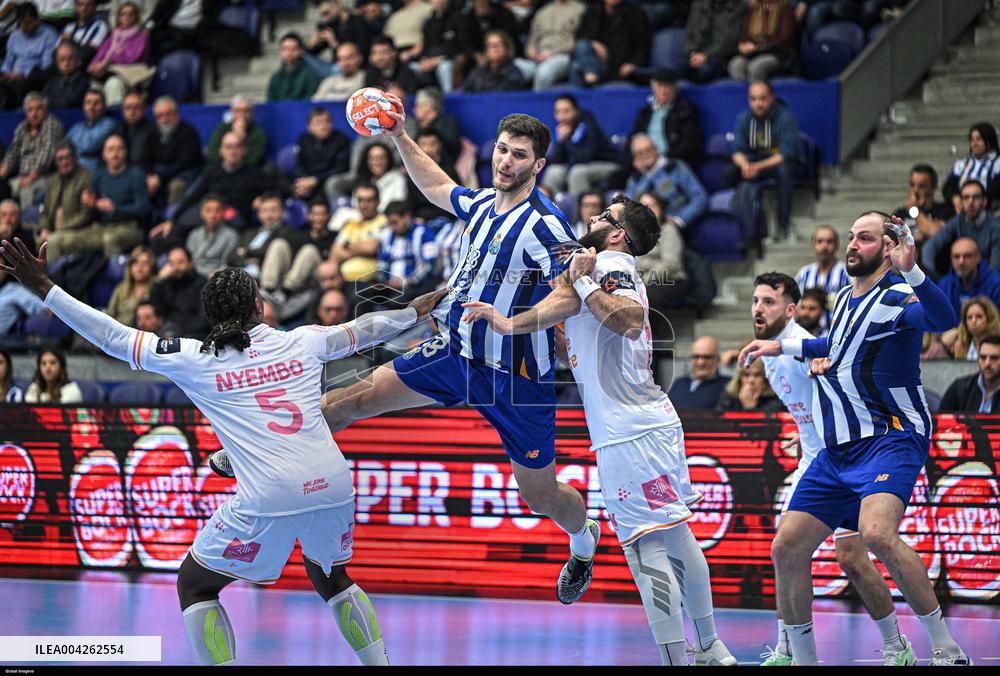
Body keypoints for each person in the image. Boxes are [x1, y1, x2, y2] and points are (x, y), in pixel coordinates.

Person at [0, 231, 448, 667]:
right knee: (331, 576)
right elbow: (366, 329)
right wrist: (417, 308)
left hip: (270, 494)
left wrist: (46, 289)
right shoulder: (304, 340)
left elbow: (113, 337)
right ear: (259, 306)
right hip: (333, 483)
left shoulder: (195, 358)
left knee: (195, 585)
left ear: (212, 315)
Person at [316, 102, 600, 605]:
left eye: (519, 155)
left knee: (540, 497)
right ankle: (262, 451)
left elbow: (570, 296)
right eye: (502, 150)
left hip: (518, 378)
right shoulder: (483, 204)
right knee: (349, 399)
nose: (506, 161)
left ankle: (583, 540)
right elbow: (436, 185)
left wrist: (510, 323)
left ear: (538, 165)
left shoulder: (547, 226)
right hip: (455, 354)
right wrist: (399, 135)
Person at [460, 195, 737, 666]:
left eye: (603, 215)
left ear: (616, 234)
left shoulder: (607, 265)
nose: (591, 217)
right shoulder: (610, 269)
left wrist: (580, 280)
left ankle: (680, 659)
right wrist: (520, 322)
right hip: (647, 422)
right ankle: (710, 646)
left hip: (628, 433)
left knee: (645, 549)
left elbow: (629, 321)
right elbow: (576, 327)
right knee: (675, 535)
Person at [738, 214, 970, 666]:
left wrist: (913, 270)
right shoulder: (844, 298)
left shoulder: (899, 296)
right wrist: (781, 346)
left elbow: (945, 319)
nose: (852, 244)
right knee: (787, 547)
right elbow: (836, 344)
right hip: (838, 449)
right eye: (851, 237)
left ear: (887, 248)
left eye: (865, 238)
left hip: (891, 437)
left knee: (877, 534)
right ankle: (802, 658)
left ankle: (947, 648)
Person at [747, 272, 906, 666]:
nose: (758, 309)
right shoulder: (768, 353)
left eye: (768, 302)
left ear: (790, 310)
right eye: (755, 300)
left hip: (846, 461)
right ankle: (787, 649)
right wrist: (805, 434)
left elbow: (847, 391)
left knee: (850, 557)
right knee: (786, 550)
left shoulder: (805, 349)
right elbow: (809, 408)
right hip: (814, 461)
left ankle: (896, 646)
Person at [47, 134, 147, 261]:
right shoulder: (99, 176)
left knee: (110, 239)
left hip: (129, 227)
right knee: (55, 240)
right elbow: (92, 210)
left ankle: (115, 273)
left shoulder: (136, 174)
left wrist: (115, 208)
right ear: (104, 154)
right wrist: (91, 204)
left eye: (119, 149)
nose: (115, 154)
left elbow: (142, 208)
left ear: (125, 152)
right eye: (110, 150)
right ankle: (52, 274)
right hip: (100, 228)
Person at [725, 79, 800, 240]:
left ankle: (783, 225)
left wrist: (757, 167)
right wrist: (746, 166)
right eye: (753, 99)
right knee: (730, 172)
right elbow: (737, 151)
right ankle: (731, 224)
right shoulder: (743, 118)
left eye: (762, 99)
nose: (758, 103)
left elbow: (785, 154)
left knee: (785, 170)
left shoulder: (785, 117)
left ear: (771, 98)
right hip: (755, 163)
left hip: (780, 164)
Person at [542, 94, 621, 199]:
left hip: (608, 165)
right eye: (558, 112)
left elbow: (583, 157)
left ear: (576, 110)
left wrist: (567, 138)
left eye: (566, 111)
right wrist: (561, 141)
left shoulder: (587, 125)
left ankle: (579, 209)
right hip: (582, 165)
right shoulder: (563, 129)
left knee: (577, 172)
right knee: (553, 171)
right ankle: (549, 208)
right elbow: (557, 160)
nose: (561, 116)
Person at [623, 133, 707, 230]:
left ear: (656, 149)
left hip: (673, 225)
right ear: (635, 157)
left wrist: (679, 219)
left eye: (648, 150)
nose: (645, 155)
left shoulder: (676, 167)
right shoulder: (635, 179)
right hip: (645, 231)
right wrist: (646, 175)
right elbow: (628, 207)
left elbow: (700, 197)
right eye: (640, 153)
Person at [922, 179, 1000, 278]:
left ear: (984, 202)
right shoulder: (958, 220)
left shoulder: (996, 228)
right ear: (961, 202)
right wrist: (932, 276)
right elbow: (930, 246)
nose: (971, 202)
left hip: (985, 280)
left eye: (976, 197)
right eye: (966, 197)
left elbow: (995, 270)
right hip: (960, 278)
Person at [260, 200, 336, 302]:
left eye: (322, 214)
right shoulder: (300, 234)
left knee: (309, 250)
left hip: (318, 278)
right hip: (295, 275)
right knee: (279, 244)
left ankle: (286, 292)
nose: (318, 218)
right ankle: (267, 288)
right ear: (308, 216)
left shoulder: (334, 237)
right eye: (314, 214)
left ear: (328, 216)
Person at [629, 69, 704, 168]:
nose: (664, 90)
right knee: (618, 174)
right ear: (653, 88)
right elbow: (633, 138)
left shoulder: (685, 111)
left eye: (668, 86)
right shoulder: (645, 112)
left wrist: (660, 159)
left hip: (671, 162)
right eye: (660, 86)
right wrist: (634, 160)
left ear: (675, 88)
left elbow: (690, 145)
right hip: (644, 162)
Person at [0, 92, 64, 207]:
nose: (34, 114)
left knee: (27, 190)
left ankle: (27, 218)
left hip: (46, 177)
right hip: (22, 177)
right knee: (2, 187)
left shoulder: (52, 124)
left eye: (38, 109)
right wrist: (2, 174)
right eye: (30, 110)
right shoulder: (22, 127)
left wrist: (30, 178)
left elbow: (47, 155)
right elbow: (12, 153)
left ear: (45, 110)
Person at [569, 0, 650, 88]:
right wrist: (594, 43)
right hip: (596, 59)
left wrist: (633, 63)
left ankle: (592, 78)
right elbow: (580, 34)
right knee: (578, 57)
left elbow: (643, 43)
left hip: (619, 64)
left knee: (577, 66)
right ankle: (592, 78)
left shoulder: (635, 13)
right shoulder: (593, 10)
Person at [86, 1, 151, 105]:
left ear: (136, 17)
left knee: (113, 84)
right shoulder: (112, 37)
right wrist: (95, 67)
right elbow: (98, 57)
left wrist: (106, 64)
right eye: (123, 14)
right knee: (94, 87)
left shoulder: (141, 38)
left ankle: (115, 114)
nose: (127, 17)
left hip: (130, 78)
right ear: (119, 17)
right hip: (109, 72)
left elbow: (131, 59)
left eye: (131, 14)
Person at [374, 200, 438, 303]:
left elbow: (429, 266)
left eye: (395, 222)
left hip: (416, 287)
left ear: (407, 217)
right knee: (366, 295)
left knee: (396, 301)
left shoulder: (423, 233)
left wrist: (407, 281)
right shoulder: (386, 235)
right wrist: (386, 282)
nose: (392, 227)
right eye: (389, 223)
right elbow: (381, 265)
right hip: (390, 287)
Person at [0, 3, 59, 109]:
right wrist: (6, 74)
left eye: (28, 23)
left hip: (34, 78)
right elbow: (9, 60)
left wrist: (22, 75)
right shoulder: (15, 35)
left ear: (37, 20)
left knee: (20, 87)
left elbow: (46, 65)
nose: (24, 27)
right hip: (12, 78)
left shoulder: (49, 35)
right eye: (21, 23)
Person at [36, 141, 91, 251]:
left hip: (77, 230)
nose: (64, 162)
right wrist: (44, 228)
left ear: (74, 158)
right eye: (60, 159)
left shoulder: (86, 178)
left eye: (67, 158)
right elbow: (45, 211)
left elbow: (86, 215)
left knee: (53, 242)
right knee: (31, 240)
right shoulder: (53, 180)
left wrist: (61, 229)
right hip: (53, 230)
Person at [327, 182, 385, 285]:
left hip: (369, 282)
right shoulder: (351, 224)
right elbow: (335, 251)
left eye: (368, 201)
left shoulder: (384, 222)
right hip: (343, 281)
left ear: (378, 202)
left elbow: (371, 248)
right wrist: (360, 249)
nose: (363, 205)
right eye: (360, 200)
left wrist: (347, 246)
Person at [147, 245, 209, 340]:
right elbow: (157, 309)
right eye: (171, 263)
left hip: (195, 333)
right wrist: (159, 280)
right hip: (171, 329)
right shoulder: (167, 283)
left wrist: (182, 334)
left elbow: (204, 317)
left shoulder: (202, 283)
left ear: (190, 263)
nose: (176, 267)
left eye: (180, 262)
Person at [795, 225, 850, 330]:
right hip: (808, 336)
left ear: (837, 245)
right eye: (819, 241)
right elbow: (794, 306)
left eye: (829, 241)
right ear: (813, 245)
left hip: (837, 336)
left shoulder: (847, 274)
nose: (824, 246)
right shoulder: (804, 274)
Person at [727, 0, 798, 82]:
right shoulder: (754, 9)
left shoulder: (786, 10)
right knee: (736, 65)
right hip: (753, 54)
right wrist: (743, 45)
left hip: (777, 54)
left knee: (756, 67)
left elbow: (785, 39)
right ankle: (744, 90)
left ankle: (760, 90)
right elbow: (745, 34)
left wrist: (757, 47)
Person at [523, 0, 585, 91]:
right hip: (538, 56)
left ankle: (538, 100)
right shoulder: (542, 11)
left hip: (564, 55)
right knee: (516, 70)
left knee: (543, 73)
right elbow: (533, 37)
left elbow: (578, 40)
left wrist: (553, 53)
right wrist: (531, 50)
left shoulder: (580, 9)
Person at [292, 107, 351, 203]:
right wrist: (304, 181)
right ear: (309, 127)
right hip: (308, 182)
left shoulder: (341, 140)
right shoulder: (304, 139)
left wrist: (316, 180)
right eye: (318, 123)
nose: (323, 126)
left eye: (327, 121)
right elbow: (300, 164)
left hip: (327, 181)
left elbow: (341, 168)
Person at [891, 163, 953, 249]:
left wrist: (915, 211)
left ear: (933, 187)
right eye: (912, 185)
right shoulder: (900, 215)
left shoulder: (945, 211)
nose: (915, 190)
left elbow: (938, 235)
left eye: (922, 186)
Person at [942, 122, 1000, 214]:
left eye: (978, 139)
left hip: (989, 210)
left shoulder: (997, 163)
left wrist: (972, 202)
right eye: (972, 140)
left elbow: (994, 191)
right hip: (960, 209)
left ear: (989, 141)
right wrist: (955, 198)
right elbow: (947, 188)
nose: (974, 144)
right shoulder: (962, 163)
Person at [681, 0, 745, 83]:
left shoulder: (738, 6)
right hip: (695, 53)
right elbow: (689, 31)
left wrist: (705, 55)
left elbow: (728, 40)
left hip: (719, 56)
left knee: (705, 72)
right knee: (674, 69)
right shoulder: (699, 3)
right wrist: (693, 52)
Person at [936, 237, 1000, 319]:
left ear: (978, 257)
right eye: (956, 256)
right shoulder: (944, 285)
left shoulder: (996, 284)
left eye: (967, 256)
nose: (961, 262)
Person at [939, 334, 1000, 413]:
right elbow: (941, 417)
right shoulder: (960, 388)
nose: (987, 363)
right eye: (983, 357)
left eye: (994, 358)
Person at [206, 96, 268, 168]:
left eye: (246, 111)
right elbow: (212, 154)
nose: (242, 115)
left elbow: (253, 159)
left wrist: (241, 138)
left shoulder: (258, 133)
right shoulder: (222, 129)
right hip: (221, 170)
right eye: (238, 111)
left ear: (252, 113)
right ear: (232, 112)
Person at [186, 195, 240, 277]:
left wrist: (214, 274)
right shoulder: (194, 234)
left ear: (223, 213)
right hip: (194, 274)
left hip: (218, 275)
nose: (213, 215)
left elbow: (227, 263)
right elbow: (191, 260)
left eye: (217, 211)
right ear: (202, 212)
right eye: (208, 210)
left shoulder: (231, 236)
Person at [668, 335, 727, 409]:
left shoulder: (727, 385)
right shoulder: (679, 383)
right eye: (696, 357)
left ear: (718, 359)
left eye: (707, 357)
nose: (700, 362)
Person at [65, 88, 116, 172]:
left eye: (96, 103)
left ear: (104, 107)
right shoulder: (76, 127)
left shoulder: (109, 124)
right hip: (71, 170)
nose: (91, 107)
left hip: (92, 171)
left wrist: (74, 148)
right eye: (88, 103)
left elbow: (89, 146)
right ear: (83, 106)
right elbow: (64, 148)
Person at [106, 245, 157, 326]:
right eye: (135, 262)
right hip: (120, 331)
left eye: (144, 263)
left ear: (152, 267)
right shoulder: (121, 288)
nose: (139, 267)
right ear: (130, 266)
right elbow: (109, 316)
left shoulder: (157, 289)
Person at [462, 29, 527, 93]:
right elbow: (464, 93)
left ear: (506, 49)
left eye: (498, 45)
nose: (495, 49)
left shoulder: (514, 73)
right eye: (490, 45)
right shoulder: (477, 72)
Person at [940, 296, 1000, 362]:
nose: (973, 321)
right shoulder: (960, 345)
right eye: (969, 317)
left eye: (979, 316)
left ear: (989, 319)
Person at [267, 32, 322, 102]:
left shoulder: (310, 74)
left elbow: (311, 100)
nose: (289, 53)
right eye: (285, 49)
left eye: (293, 49)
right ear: (280, 51)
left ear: (300, 51)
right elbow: (270, 103)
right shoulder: (276, 77)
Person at [40, 42, 90, 110]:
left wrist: (48, 102)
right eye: (62, 59)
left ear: (77, 61)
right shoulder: (53, 81)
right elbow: (41, 100)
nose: (66, 63)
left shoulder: (84, 82)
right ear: (57, 62)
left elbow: (67, 103)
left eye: (70, 59)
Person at [114, 90, 155, 168]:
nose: (132, 112)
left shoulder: (153, 131)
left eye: (136, 108)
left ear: (144, 109)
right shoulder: (116, 130)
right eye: (128, 108)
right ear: (122, 111)